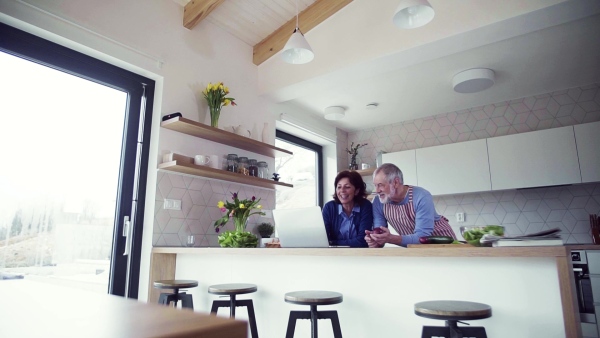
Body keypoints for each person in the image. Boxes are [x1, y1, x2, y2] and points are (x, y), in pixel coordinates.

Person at [365, 163, 455, 247]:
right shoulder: (378, 201)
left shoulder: (421, 196)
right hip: (415, 248)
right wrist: (375, 240)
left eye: (380, 185)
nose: (377, 190)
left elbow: (422, 238)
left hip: (445, 243)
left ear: (396, 182)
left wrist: (390, 238)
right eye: (375, 185)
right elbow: (380, 234)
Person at [322, 170, 373, 247]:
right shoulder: (329, 208)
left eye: (347, 187)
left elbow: (363, 241)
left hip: (360, 255)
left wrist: (333, 243)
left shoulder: (365, 206)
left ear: (356, 191)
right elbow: (323, 239)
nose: (342, 191)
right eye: (339, 187)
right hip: (334, 256)